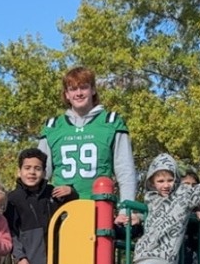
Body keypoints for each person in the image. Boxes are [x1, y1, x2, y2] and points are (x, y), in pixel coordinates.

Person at [36, 65, 137, 205]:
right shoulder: (53, 126)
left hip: (100, 208)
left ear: (93, 90)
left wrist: (127, 208)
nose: (78, 93)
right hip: (62, 209)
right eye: (73, 89)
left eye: (83, 87)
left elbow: (125, 170)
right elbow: (40, 174)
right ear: (66, 94)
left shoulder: (111, 122)